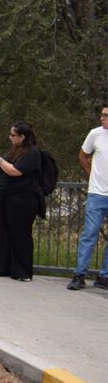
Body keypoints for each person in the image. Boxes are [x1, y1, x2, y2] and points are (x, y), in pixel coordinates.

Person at [0, 122, 43, 281]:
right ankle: (3, 266)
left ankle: (22, 270)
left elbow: (15, 171)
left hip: (23, 199)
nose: (10, 138)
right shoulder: (15, 151)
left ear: (22, 137)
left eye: (13, 135)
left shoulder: (32, 153)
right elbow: (6, 167)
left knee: (20, 234)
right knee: (5, 232)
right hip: (7, 197)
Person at [68, 107, 108, 290]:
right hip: (97, 193)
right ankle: (79, 274)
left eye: (106, 116)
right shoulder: (95, 134)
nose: (102, 118)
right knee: (89, 234)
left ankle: (104, 276)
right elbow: (83, 155)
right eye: (102, 115)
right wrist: (92, 174)